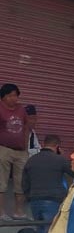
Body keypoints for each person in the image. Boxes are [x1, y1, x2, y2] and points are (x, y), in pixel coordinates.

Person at [22, 134, 73, 233]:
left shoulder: (31, 160)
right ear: (57, 146)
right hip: (53, 201)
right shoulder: (59, 160)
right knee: (49, 232)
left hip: (34, 201)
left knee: (40, 231)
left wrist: (29, 196)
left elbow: (24, 183)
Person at [0, 83, 35, 220]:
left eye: (16, 95)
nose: (14, 98)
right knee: (1, 182)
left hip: (20, 152)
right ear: (3, 97)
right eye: (11, 96)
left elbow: (26, 128)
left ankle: (19, 212)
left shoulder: (21, 109)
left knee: (20, 183)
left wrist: (25, 148)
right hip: (3, 149)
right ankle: (1, 213)